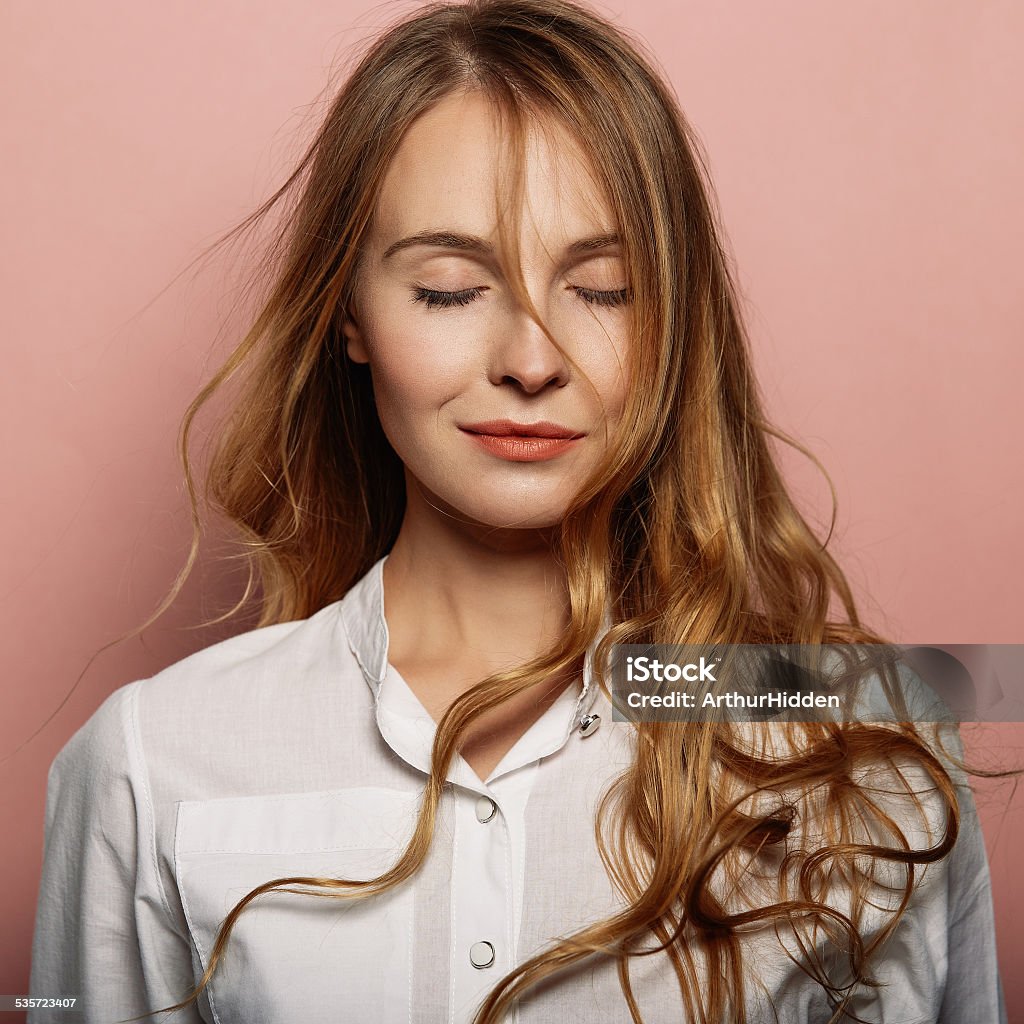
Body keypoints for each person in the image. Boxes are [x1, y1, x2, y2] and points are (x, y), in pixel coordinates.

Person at [27, 1, 1007, 1022]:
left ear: (673, 315)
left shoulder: (858, 742)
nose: (531, 361)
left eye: (605, 287)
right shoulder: (151, 762)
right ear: (347, 314)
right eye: (449, 289)